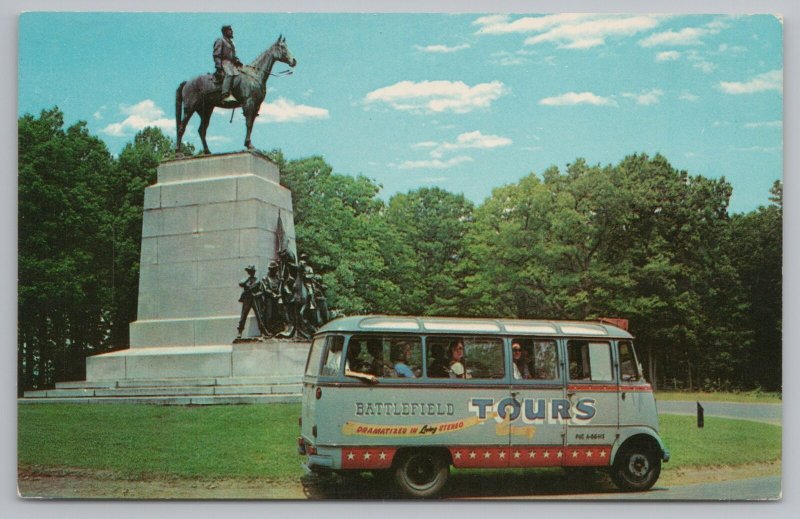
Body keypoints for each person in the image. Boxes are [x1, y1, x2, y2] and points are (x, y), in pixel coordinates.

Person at [213, 25, 243, 103]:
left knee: (241, 74)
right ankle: (225, 95)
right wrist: (218, 66)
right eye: (230, 30)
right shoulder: (220, 40)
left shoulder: (231, 43)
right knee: (229, 74)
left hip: (232, 63)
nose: (232, 32)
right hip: (224, 62)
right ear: (225, 32)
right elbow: (216, 54)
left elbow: (233, 55)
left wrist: (237, 61)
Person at [237, 265, 266, 338]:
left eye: (251, 271)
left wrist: (257, 294)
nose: (250, 272)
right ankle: (240, 332)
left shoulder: (258, 281)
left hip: (255, 299)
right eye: (249, 271)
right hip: (247, 299)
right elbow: (241, 284)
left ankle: (262, 331)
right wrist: (248, 279)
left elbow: (262, 291)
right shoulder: (245, 280)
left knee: (259, 315)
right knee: (243, 316)